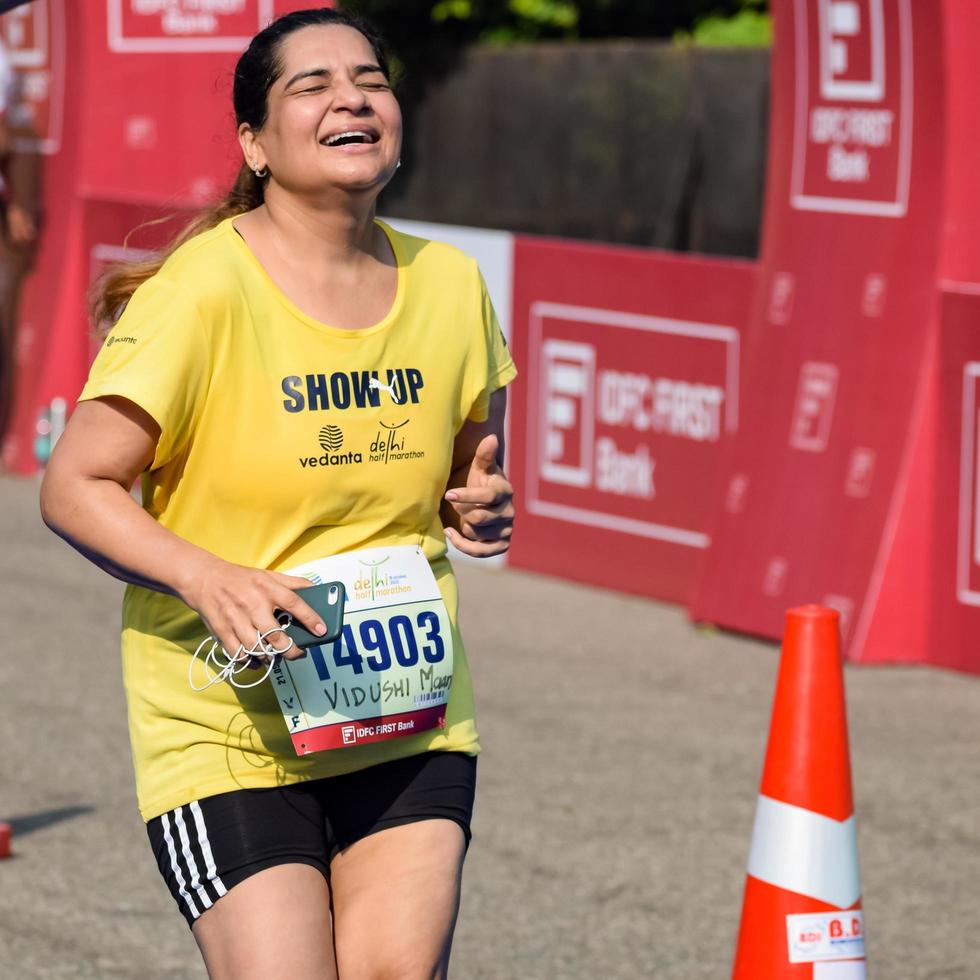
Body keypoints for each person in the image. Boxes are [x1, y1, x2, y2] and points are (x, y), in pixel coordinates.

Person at [39, 8, 516, 978]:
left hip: (401, 706)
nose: (351, 97)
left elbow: (471, 475)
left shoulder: (452, 285)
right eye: (312, 85)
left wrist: (481, 509)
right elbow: (76, 483)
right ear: (254, 142)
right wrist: (206, 576)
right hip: (227, 721)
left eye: (370, 81)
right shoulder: (203, 291)